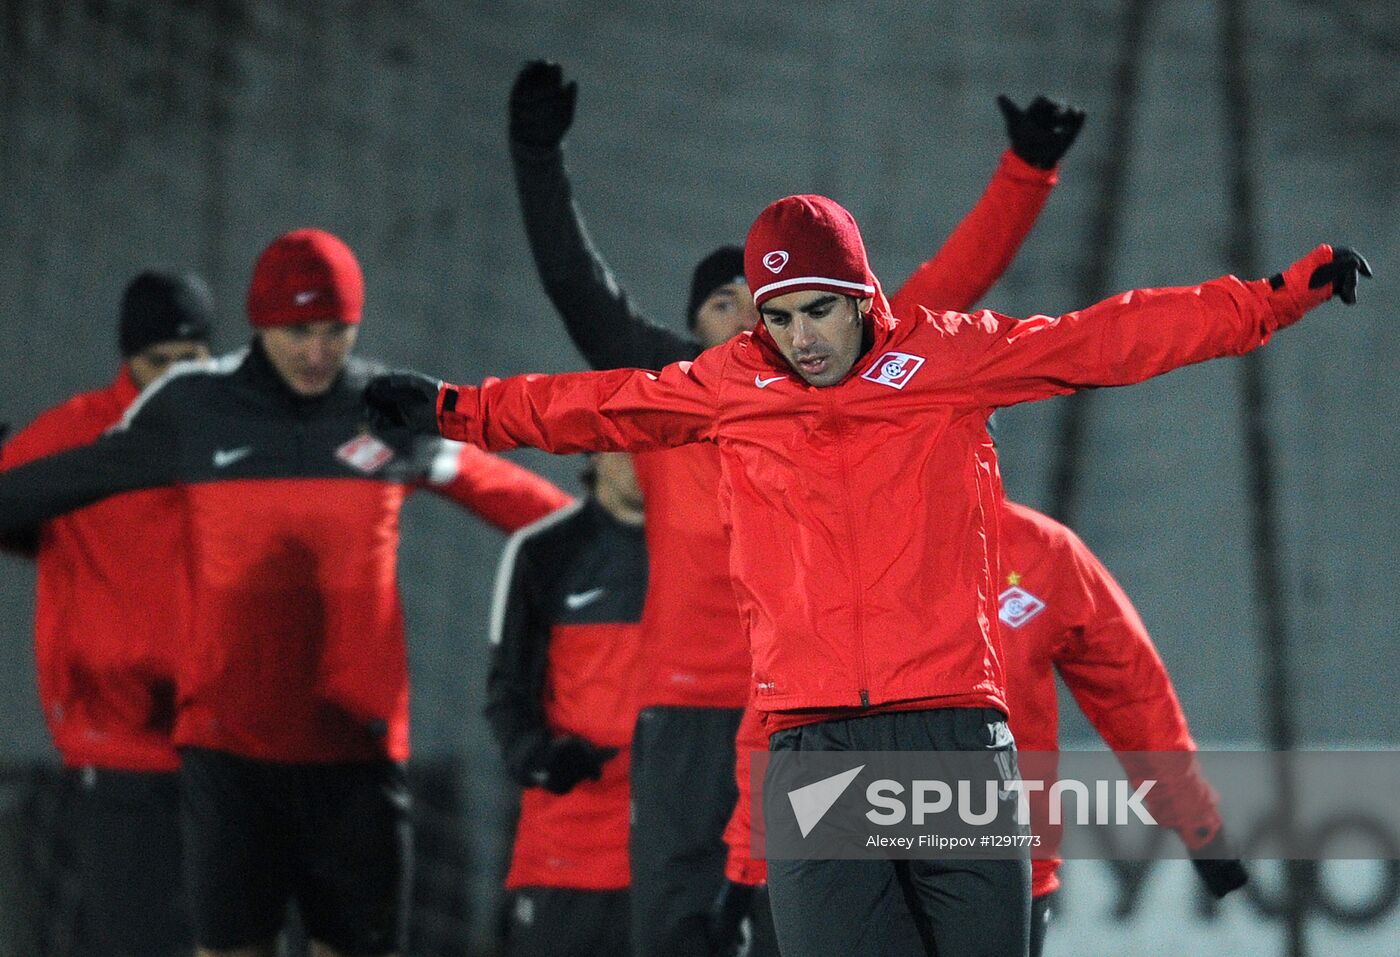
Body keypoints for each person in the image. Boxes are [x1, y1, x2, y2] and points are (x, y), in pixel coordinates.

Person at [364, 190, 1369, 956]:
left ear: (860, 297)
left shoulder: (946, 359)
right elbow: (596, 407)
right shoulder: (734, 383)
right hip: (816, 748)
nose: (800, 337)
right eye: (780, 315)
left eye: (818, 311)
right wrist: (457, 409)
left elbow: (1114, 337)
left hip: (950, 738)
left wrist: (1274, 301)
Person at [507, 58, 1084, 956]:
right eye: (730, 302)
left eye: (774, 302)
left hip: (827, 715)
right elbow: (575, 284)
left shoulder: (869, 373)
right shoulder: (673, 392)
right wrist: (535, 155)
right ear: (691, 325)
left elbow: (956, 278)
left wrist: (1026, 171)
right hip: (690, 713)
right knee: (672, 931)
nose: (762, 318)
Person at [0, 229, 572, 957]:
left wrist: (617, 539)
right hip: (229, 762)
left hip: (355, 758)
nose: (316, 350)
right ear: (263, 324)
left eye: (336, 330)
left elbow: (499, 486)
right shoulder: (197, 413)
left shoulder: (389, 406)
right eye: (299, 330)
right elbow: (59, 482)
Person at [716, 494, 1251, 957]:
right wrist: (747, 859)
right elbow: (778, 712)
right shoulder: (836, 559)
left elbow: (1133, 694)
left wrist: (1196, 822)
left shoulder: (1042, 552)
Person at [0, 271, 213, 957]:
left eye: (191, 361)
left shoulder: (238, 432)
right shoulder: (75, 433)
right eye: (158, 363)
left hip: (232, 747)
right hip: (118, 748)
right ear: (129, 359)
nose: (174, 380)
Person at [485, 452, 647, 956]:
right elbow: (507, 697)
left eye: (657, 440)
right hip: (568, 849)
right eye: (626, 441)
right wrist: (542, 761)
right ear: (594, 448)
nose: (644, 459)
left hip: (682, 855)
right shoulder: (542, 552)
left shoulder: (717, 546)